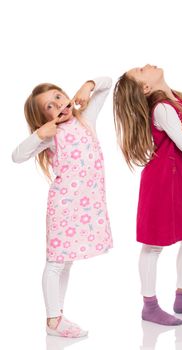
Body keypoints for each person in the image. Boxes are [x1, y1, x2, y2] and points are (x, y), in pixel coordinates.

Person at [113, 64, 182, 326]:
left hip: (178, 178)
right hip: (163, 182)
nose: (146, 65)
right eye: (141, 71)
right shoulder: (163, 109)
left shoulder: (175, 100)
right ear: (146, 88)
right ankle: (149, 306)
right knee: (154, 244)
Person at [12, 76, 113, 337]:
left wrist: (87, 85)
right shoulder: (50, 135)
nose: (57, 104)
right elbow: (17, 156)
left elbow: (108, 83)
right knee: (56, 263)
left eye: (58, 96)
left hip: (88, 207)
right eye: (49, 106)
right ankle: (53, 321)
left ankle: (58, 315)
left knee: (66, 263)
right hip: (64, 207)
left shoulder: (86, 118)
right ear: (44, 118)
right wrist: (38, 135)